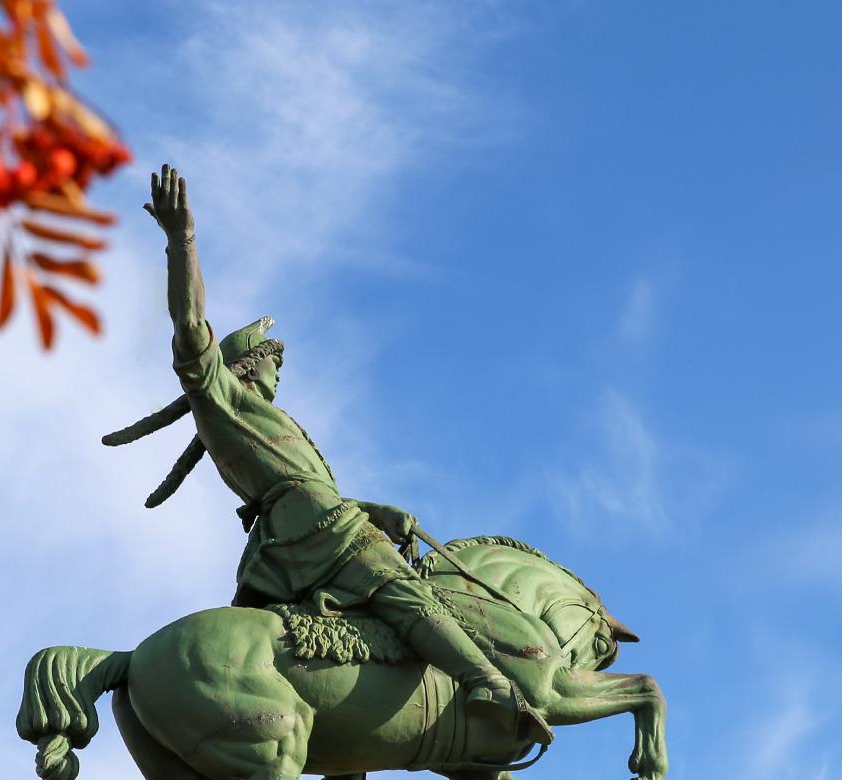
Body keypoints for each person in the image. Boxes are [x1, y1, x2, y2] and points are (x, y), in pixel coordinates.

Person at [126, 164, 547, 744]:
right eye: (275, 359)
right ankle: (487, 683)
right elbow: (191, 326)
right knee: (407, 594)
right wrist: (182, 240)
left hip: (304, 535)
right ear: (248, 364)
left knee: (356, 640)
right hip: (318, 535)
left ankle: (348, 775)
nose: (280, 370)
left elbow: (312, 488)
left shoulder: (267, 422)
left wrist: (376, 511)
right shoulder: (222, 399)